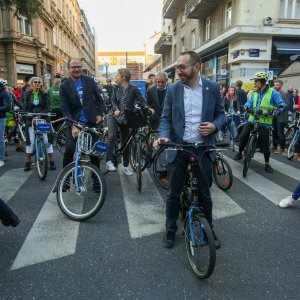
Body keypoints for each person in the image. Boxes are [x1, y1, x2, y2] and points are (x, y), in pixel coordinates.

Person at [154, 51, 225, 249]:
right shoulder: (173, 89)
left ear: (196, 67)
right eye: (177, 67)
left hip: (203, 148)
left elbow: (221, 114)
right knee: (173, 193)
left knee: (205, 194)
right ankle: (170, 229)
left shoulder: (212, 88)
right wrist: (164, 135)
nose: (178, 71)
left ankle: (208, 229)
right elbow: (165, 118)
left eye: (182, 67)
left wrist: (215, 126)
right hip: (179, 146)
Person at [59, 58, 104, 178]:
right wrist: (72, 126)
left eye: (78, 66)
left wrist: (100, 114)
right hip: (74, 122)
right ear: (69, 69)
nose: (77, 69)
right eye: (74, 67)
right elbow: (65, 108)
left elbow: (100, 99)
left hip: (91, 121)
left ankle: (97, 182)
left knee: (94, 153)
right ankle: (65, 180)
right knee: (69, 149)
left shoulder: (89, 81)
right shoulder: (64, 86)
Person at [233, 72, 286, 173]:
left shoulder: (273, 92)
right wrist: (246, 106)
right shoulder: (255, 92)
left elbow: (281, 104)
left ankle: (267, 163)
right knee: (243, 134)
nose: (254, 83)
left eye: (256, 81)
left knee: (264, 142)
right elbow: (249, 102)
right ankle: (240, 152)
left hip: (265, 121)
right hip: (252, 119)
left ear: (262, 81)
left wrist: (275, 112)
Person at [105, 68, 147, 174]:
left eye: (117, 76)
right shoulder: (115, 88)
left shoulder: (134, 89)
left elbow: (141, 100)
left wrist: (148, 107)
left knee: (126, 141)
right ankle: (109, 161)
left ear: (123, 77)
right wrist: (116, 110)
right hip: (113, 116)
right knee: (112, 136)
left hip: (126, 117)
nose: (116, 78)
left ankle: (126, 165)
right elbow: (113, 100)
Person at [23, 76, 56, 171]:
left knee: (47, 141)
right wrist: (31, 116)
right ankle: (28, 162)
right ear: (31, 84)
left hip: (43, 119)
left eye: (39, 82)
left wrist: (40, 116)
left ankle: (51, 161)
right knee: (31, 141)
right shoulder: (27, 94)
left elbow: (47, 106)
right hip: (31, 120)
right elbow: (25, 108)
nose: (37, 83)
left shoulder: (44, 94)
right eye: (35, 82)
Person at [272, 79, 290, 154]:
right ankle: (274, 146)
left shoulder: (285, 94)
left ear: (281, 86)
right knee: (274, 132)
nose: (275, 86)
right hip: (273, 116)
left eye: (277, 85)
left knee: (280, 133)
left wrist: (278, 110)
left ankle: (282, 148)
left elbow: (287, 104)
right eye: (274, 85)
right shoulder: (273, 93)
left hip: (281, 117)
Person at [0, 78, 11, 168]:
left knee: (0, 139)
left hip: (1, 118)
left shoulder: (4, 92)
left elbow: (7, 106)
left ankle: (1, 159)